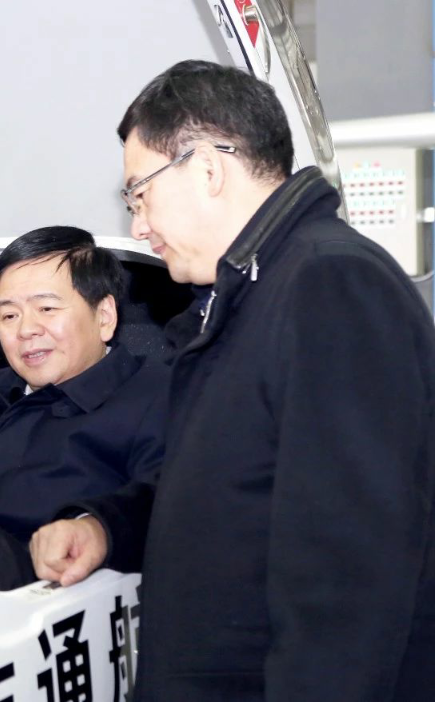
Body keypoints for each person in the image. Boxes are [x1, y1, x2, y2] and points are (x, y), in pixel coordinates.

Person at [30, 60, 435, 701]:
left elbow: (349, 566)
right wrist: (107, 527)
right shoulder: (252, 294)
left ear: (207, 169)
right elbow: (227, 486)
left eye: (140, 193)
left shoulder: (329, 283)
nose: (138, 225)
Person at [0, 226, 167, 588]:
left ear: (104, 316)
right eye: (9, 316)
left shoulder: (160, 394)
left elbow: (172, 501)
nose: (26, 329)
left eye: (46, 308)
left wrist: (97, 528)